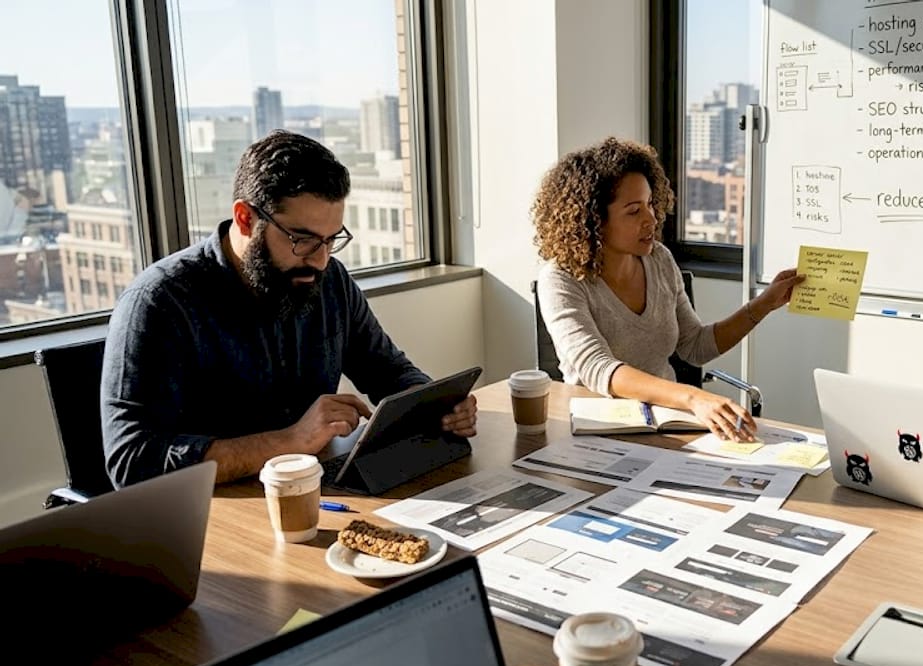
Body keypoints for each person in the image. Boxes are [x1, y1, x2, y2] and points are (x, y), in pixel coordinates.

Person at [101, 131, 477, 488]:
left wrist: (437, 406)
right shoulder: (159, 302)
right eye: (302, 239)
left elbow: (388, 371)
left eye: (332, 240)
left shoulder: (329, 279)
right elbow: (132, 461)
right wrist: (291, 440)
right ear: (246, 219)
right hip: (212, 514)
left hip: (312, 489)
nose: (320, 259)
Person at [533, 137, 803, 442]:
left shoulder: (659, 259)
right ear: (593, 220)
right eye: (634, 211)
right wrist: (693, 398)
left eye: (650, 204)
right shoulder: (560, 279)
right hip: (597, 435)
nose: (651, 218)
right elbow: (599, 369)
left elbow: (696, 346)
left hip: (667, 426)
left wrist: (764, 303)